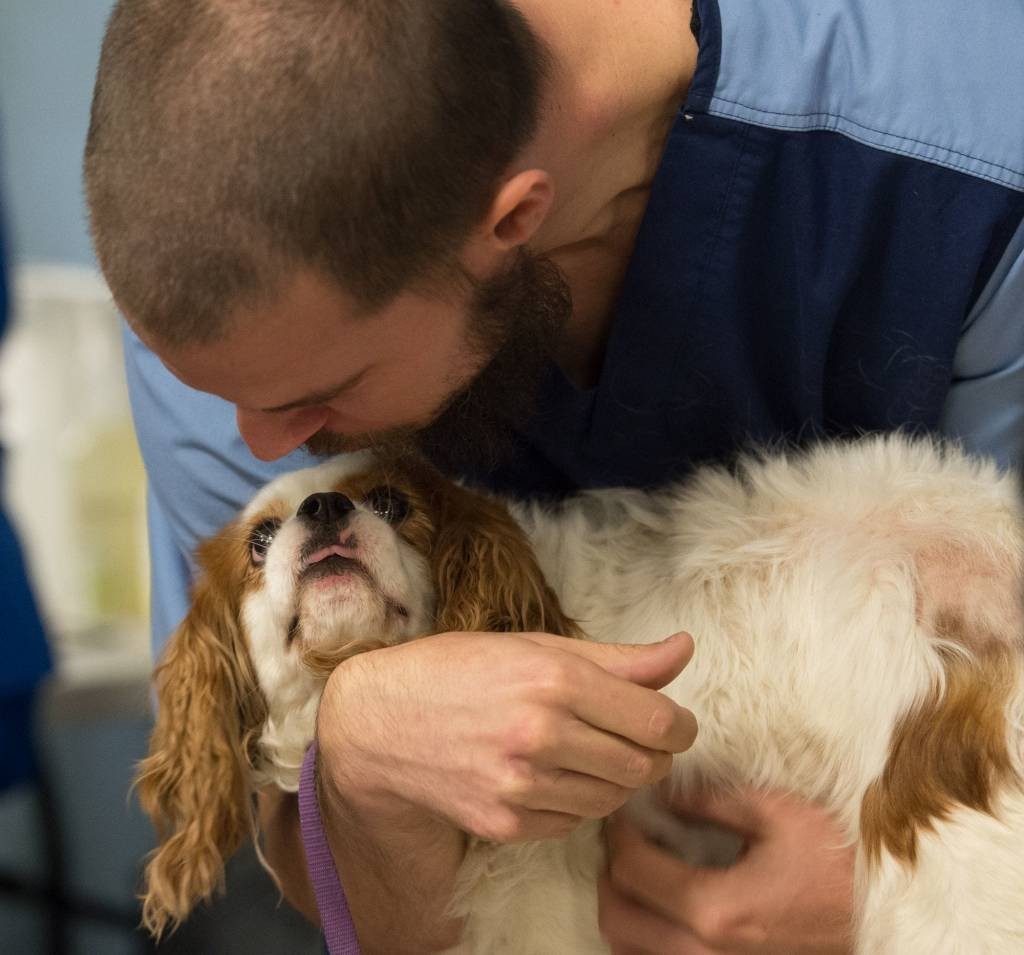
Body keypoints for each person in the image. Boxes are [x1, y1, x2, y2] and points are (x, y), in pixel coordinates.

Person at [84, 0, 1023, 951]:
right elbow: (286, 828)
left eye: (325, 391)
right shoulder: (240, 305)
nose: (260, 444)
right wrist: (358, 757)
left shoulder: (968, 163)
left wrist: (911, 879)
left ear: (515, 220)